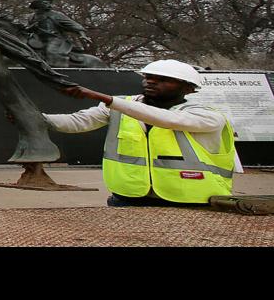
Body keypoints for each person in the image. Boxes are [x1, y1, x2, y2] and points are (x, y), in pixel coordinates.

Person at [45, 59, 241, 207]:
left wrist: (107, 99)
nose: (151, 82)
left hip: (193, 200)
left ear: (189, 88)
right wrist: (32, 118)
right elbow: (77, 122)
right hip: (129, 197)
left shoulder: (208, 116)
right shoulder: (121, 106)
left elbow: (167, 120)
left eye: (163, 80)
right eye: (148, 78)